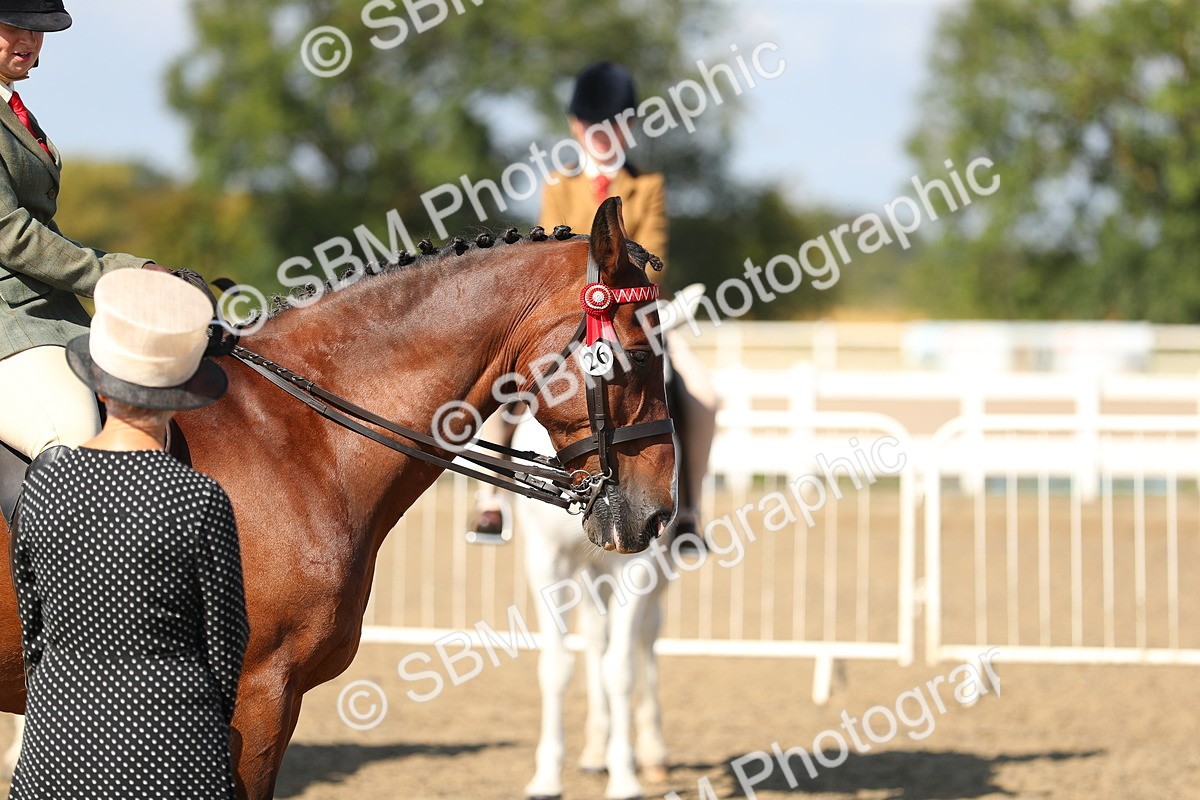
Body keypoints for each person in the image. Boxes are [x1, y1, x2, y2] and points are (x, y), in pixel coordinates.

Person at [8, 269, 249, 799]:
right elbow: (226, 646)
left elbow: (35, 631)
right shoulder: (200, 499)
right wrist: (200, 729)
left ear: (96, 380)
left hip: (56, 746)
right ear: (184, 392)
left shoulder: (44, 488)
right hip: (175, 747)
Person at [468, 62, 718, 539]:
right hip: (569, 319)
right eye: (591, 123)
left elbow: (653, 255)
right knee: (507, 385)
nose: (601, 133)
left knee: (704, 396)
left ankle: (689, 510)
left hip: (633, 319)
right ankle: (490, 499)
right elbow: (547, 249)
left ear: (629, 126)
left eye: (612, 122)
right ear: (575, 125)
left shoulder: (647, 188)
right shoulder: (559, 186)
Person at [0, 0, 205, 525]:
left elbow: (44, 229)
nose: (29, 39)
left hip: (49, 316)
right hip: (9, 326)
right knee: (77, 446)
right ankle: (63, 602)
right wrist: (119, 274)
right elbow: (14, 238)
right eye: (14, 26)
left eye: (38, 30)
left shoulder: (14, 110)